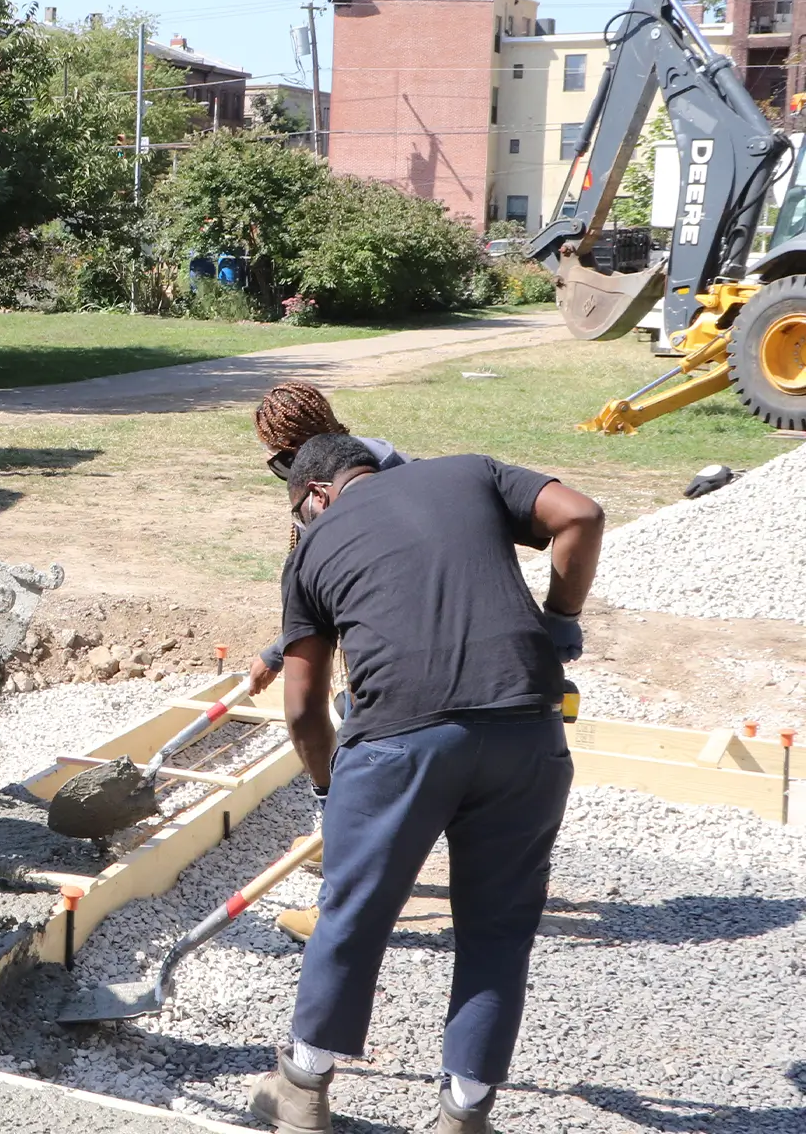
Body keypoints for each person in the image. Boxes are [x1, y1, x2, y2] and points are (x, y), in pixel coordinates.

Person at [248, 434, 602, 1134]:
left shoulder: (310, 550)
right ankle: (464, 1114)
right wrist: (560, 618)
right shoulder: (471, 473)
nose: (300, 523)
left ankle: (302, 1092)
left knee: (351, 914)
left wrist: (328, 791)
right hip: (525, 731)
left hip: (398, 744)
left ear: (316, 494)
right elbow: (581, 516)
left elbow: (301, 706)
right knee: (499, 929)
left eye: (298, 510)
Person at [246, 381, 408, 697]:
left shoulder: (328, 494)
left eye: (280, 458)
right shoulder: (382, 456)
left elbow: (332, 593)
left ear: (295, 448)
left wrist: (280, 653)